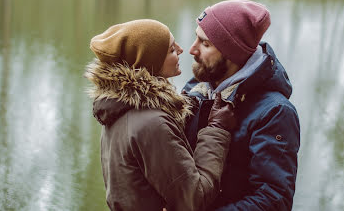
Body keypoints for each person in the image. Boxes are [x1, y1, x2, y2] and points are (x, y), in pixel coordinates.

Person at [84, 19, 237, 211]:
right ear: (149, 63)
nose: (182, 50)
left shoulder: (122, 109)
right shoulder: (152, 123)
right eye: (171, 50)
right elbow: (195, 199)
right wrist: (217, 128)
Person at [182, 0, 300, 210]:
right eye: (196, 37)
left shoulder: (275, 112)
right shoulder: (197, 89)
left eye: (205, 43)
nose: (192, 49)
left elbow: (274, 200)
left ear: (232, 54)